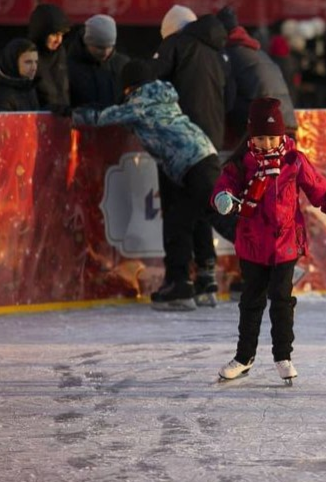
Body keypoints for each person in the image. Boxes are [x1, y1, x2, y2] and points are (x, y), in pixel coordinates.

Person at [212, 97, 326, 385]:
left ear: (282, 134)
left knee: (282, 301)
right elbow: (223, 187)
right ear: (250, 135)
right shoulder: (241, 164)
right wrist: (222, 198)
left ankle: (283, 356)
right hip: (252, 244)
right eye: (260, 138)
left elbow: (323, 192)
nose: (267, 144)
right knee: (251, 301)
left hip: (285, 245)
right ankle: (244, 357)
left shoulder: (294, 161)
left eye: (272, 137)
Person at [71, 60, 237, 311]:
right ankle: (187, 285)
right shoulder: (163, 97)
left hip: (194, 166)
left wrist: (70, 112)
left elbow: (101, 118)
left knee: (197, 221)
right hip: (204, 159)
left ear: (128, 87)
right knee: (195, 220)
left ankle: (271, 262)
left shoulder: (139, 103)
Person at [152, 10, 234, 306]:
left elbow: (152, 86)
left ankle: (179, 281)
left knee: (176, 211)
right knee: (201, 206)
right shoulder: (218, 54)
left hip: (177, 142)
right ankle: (206, 276)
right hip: (211, 141)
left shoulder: (173, 45)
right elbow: (232, 98)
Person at [217, 6, 298, 146]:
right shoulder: (256, 51)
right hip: (287, 120)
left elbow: (228, 97)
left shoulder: (229, 54)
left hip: (266, 125)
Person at [68, 14, 130, 110]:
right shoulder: (69, 67)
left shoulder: (123, 64)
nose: (105, 52)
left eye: (109, 47)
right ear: (86, 42)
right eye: (99, 47)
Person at [26, 3, 72, 114]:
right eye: (54, 35)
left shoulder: (62, 54)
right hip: (38, 124)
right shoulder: (27, 57)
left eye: (61, 35)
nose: (59, 40)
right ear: (41, 32)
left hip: (64, 123)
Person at [0, 38, 40, 112]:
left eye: (36, 62)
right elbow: (1, 123)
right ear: (13, 63)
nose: (34, 67)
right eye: (28, 62)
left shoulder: (28, 88)